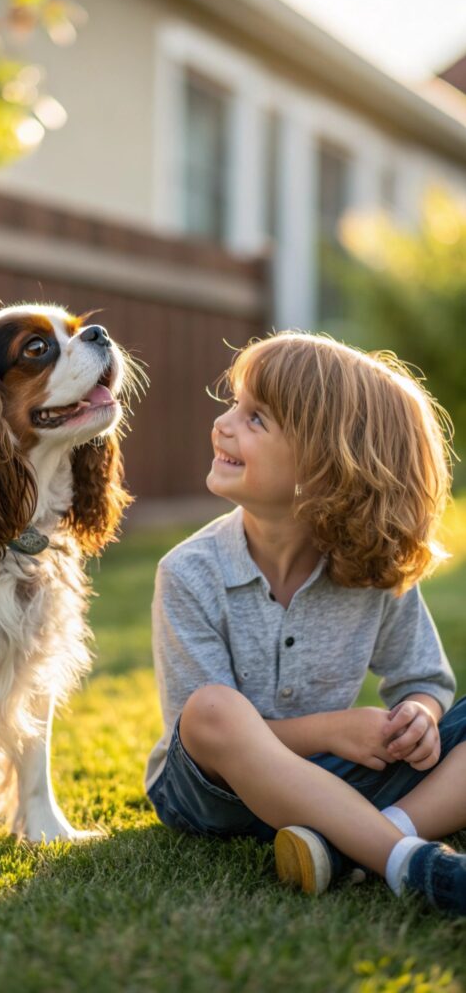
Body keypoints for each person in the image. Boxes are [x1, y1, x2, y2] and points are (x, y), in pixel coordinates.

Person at [145, 332, 466, 913]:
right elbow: (201, 737)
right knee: (212, 708)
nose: (222, 425)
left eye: (256, 419)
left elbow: (426, 680)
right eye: (233, 406)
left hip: (335, 780)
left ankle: (345, 845)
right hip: (213, 795)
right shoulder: (190, 572)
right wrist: (334, 730)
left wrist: (418, 717)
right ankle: (405, 860)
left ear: (328, 467)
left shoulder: (373, 569)